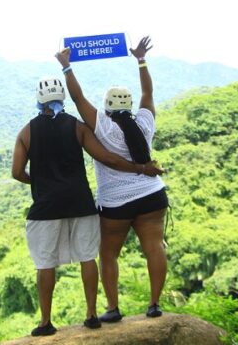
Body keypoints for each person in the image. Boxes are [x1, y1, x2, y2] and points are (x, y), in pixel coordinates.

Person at [11, 76, 163, 336]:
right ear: (61, 99)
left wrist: (40, 183)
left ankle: (46, 322)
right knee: (88, 258)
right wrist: (141, 169)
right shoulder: (78, 127)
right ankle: (92, 315)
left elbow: (16, 172)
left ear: (39, 100)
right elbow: (105, 157)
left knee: (45, 264)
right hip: (82, 203)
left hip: (46, 208)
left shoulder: (26, 132)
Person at [55, 36, 169, 321]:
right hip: (153, 195)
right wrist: (141, 61)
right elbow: (148, 95)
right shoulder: (144, 123)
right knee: (155, 248)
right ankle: (154, 305)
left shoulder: (102, 126)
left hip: (116, 202)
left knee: (108, 255)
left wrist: (66, 67)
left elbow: (78, 99)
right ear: (129, 105)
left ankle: (113, 309)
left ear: (106, 106)